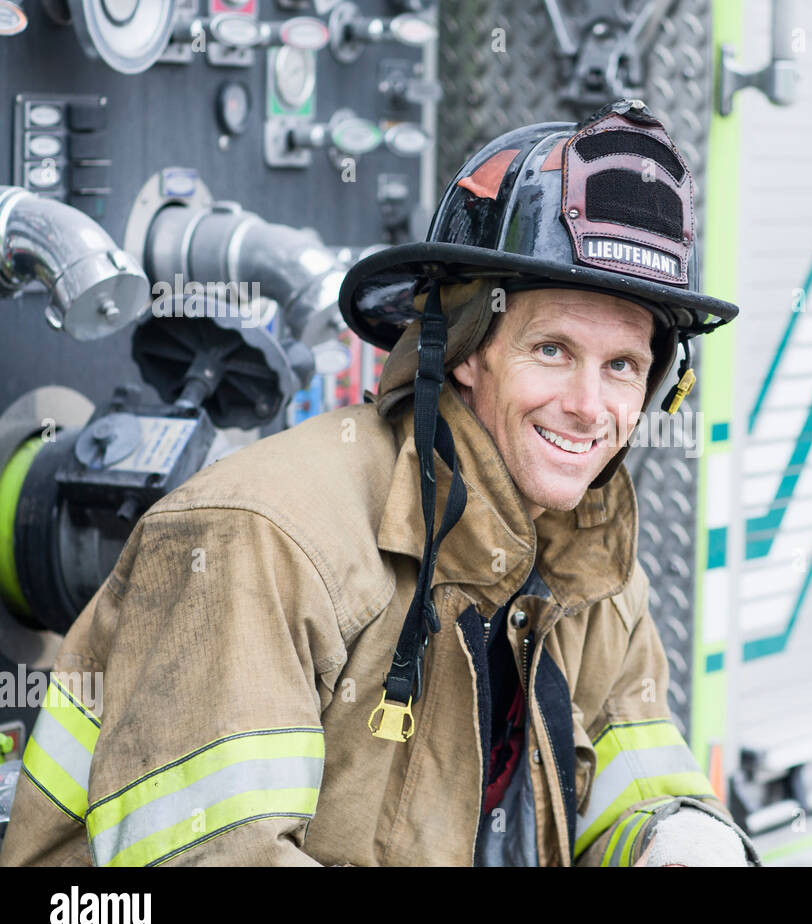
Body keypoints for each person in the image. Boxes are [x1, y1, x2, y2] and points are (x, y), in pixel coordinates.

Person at [0, 99, 760, 867]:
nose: (590, 407)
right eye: (554, 350)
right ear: (466, 350)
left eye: (622, 366)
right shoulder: (259, 541)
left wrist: (680, 838)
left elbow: (631, 781)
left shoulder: (586, 561)